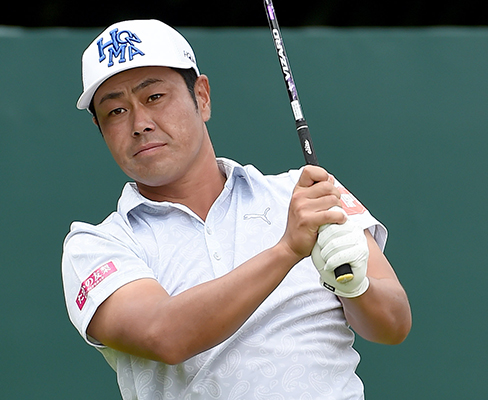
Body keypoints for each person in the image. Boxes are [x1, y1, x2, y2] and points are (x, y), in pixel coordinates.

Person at [62, 19, 411, 399]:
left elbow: (394, 325)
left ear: (202, 97)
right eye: (116, 111)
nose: (140, 124)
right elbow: (163, 335)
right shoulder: (95, 246)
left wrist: (355, 286)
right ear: (100, 128)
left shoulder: (303, 194)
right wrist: (286, 250)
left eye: (154, 97)